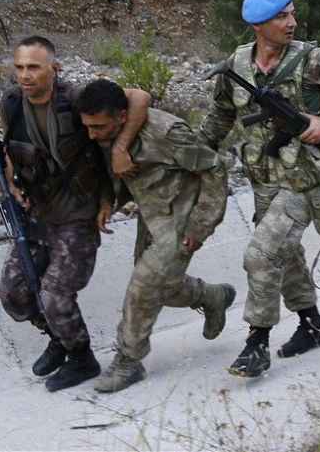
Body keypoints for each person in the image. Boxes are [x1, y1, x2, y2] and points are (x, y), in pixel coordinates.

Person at [199, 0, 320, 377]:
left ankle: (257, 343)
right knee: (286, 253)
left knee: (261, 254)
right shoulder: (237, 65)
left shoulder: (315, 59)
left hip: (307, 176)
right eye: (281, 16)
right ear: (258, 25)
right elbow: (221, 116)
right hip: (264, 176)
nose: (291, 22)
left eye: (292, 13)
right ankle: (312, 324)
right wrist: (193, 154)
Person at [0, 35, 149, 392]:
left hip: (78, 214)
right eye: (19, 67)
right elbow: (8, 148)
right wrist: (11, 184)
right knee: (12, 293)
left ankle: (82, 358)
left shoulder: (76, 98)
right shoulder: (12, 104)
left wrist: (119, 150)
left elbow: (139, 97)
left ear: (54, 68)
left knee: (53, 293)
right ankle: (59, 338)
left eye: (34, 66)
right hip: (35, 215)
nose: (25, 75)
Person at [75, 79, 235, 393]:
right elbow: (112, 171)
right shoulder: (104, 130)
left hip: (183, 215)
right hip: (152, 214)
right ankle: (215, 297)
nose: (91, 134)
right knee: (163, 289)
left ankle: (128, 360)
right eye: (88, 127)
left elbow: (214, 170)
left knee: (143, 287)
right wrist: (108, 201)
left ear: (122, 117)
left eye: (98, 127)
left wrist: (201, 225)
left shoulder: (165, 133)